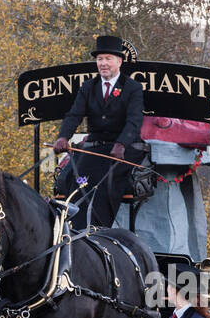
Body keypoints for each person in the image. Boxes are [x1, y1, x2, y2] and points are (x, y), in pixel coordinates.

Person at [53, 35, 146, 230]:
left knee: (105, 184)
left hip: (124, 149)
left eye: (108, 59)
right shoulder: (89, 87)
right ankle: (71, 229)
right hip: (95, 147)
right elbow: (74, 114)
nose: (103, 63)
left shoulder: (132, 88)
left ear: (119, 61)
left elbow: (134, 121)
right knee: (77, 181)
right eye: (100, 59)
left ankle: (98, 230)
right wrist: (63, 137)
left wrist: (121, 144)